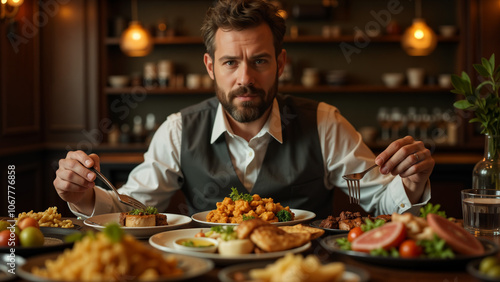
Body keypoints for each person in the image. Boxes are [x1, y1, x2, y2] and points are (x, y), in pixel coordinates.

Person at [53, 0, 434, 219]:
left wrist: (411, 186)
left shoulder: (324, 123)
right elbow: (130, 208)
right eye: (231, 62)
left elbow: (383, 200)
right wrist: (83, 197)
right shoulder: (179, 129)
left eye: (260, 61)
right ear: (210, 67)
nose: (246, 78)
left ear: (281, 63)